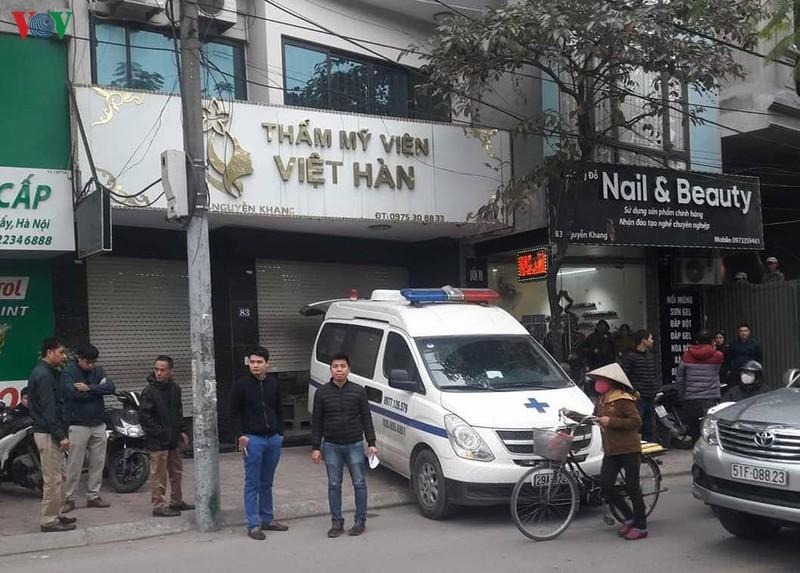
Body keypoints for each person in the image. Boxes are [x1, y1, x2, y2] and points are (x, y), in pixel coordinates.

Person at [311, 353, 377, 538]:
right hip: (331, 445)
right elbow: (317, 421)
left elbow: (366, 418)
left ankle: (360, 521)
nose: (339, 370)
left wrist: (371, 443)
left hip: (354, 443)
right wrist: (315, 447)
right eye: (335, 366)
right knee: (334, 484)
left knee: (359, 483)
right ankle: (336, 522)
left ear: (349, 369)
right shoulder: (322, 393)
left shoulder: (358, 391)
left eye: (342, 366)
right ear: (330, 369)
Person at [229, 346, 288, 540]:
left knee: (267, 482)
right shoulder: (241, 386)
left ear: (267, 364)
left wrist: (280, 433)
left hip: (273, 440)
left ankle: (267, 519)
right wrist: (241, 435)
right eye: (252, 362)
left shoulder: (274, 384)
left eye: (259, 362)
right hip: (252, 439)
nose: (255, 365)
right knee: (252, 483)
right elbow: (234, 412)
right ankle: (253, 524)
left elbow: (279, 409)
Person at [587, 363, 647, 541]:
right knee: (606, 485)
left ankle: (641, 526)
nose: (598, 383)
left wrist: (611, 422)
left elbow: (636, 422)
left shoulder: (623, 399)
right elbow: (594, 417)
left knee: (632, 488)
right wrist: (573, 416)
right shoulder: (601, 399)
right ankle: (629, 517)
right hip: (611, 450)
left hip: (628, 449)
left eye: (601, 380)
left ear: (611, 382)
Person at [28, 337, 77, 532]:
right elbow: (49, 411)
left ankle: (57, 513)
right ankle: (48, 521)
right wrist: (60, 435)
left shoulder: (49, 372)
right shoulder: (44, 375)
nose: (64, 356)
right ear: (49, 352)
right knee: (53, 480)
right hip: (48, 433)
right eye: (61, 352)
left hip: (53, 432)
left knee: (61, 476)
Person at [61, 343, 115, 513]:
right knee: (74, 465)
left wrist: (89, 388)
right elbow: (72, 394)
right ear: (79, 358)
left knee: (98, 463)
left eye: (93, 362)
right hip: (78, 424)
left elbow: (110, 388)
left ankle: (93, 496)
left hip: (98, 424)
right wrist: (97, 390)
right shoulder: (68, 372)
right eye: (88, 362)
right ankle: (69, 498)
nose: (91, 365)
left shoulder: (98, 370)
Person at [139, 355, 194, 517]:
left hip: (173, 438)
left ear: (171, 371)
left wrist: (182, 430)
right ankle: (158, 506)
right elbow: (144, 416)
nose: (159, 373)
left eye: (162, 370)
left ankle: (176, 501)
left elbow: (178, 411)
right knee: (159, 474)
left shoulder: (175, 389)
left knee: (176, 472)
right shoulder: (149, 391)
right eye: (156, 369)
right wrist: (159, 432)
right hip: (157, 440)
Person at [676, 330, 723, 441]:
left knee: (694, 428)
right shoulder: (718, 356)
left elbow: (680, 377)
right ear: (712, 341)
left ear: (696, 341)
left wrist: (681, 394)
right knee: (709, 427)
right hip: (710, 397)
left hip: (691, 398)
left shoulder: (687, 355)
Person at [621, 330, 658, 442]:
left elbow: (655, 374)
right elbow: (623, 377)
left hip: (651, 396)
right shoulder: (630, 357)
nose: (652, 341)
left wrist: (656, 388)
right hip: (638, 397)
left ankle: (649, 448)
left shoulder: (651, 356)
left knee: (650, 426)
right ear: (643, 340)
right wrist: (633, 391)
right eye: (650, 338)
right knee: (635, 425)